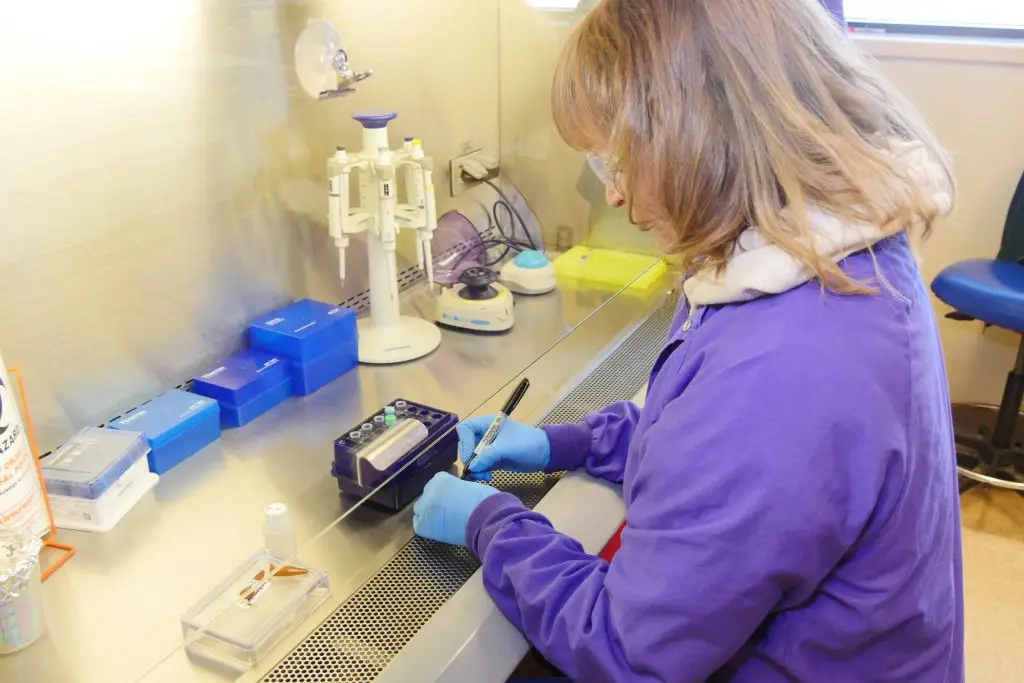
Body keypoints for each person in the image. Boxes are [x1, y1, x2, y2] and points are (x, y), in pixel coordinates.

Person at [413, 0, 963, 680]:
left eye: (614, 158)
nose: (612, 195)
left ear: (697, 130)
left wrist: (490, 522)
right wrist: (567, 442)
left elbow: (627, 650)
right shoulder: (817, 251)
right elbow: (695, 432)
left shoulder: (789, 362)